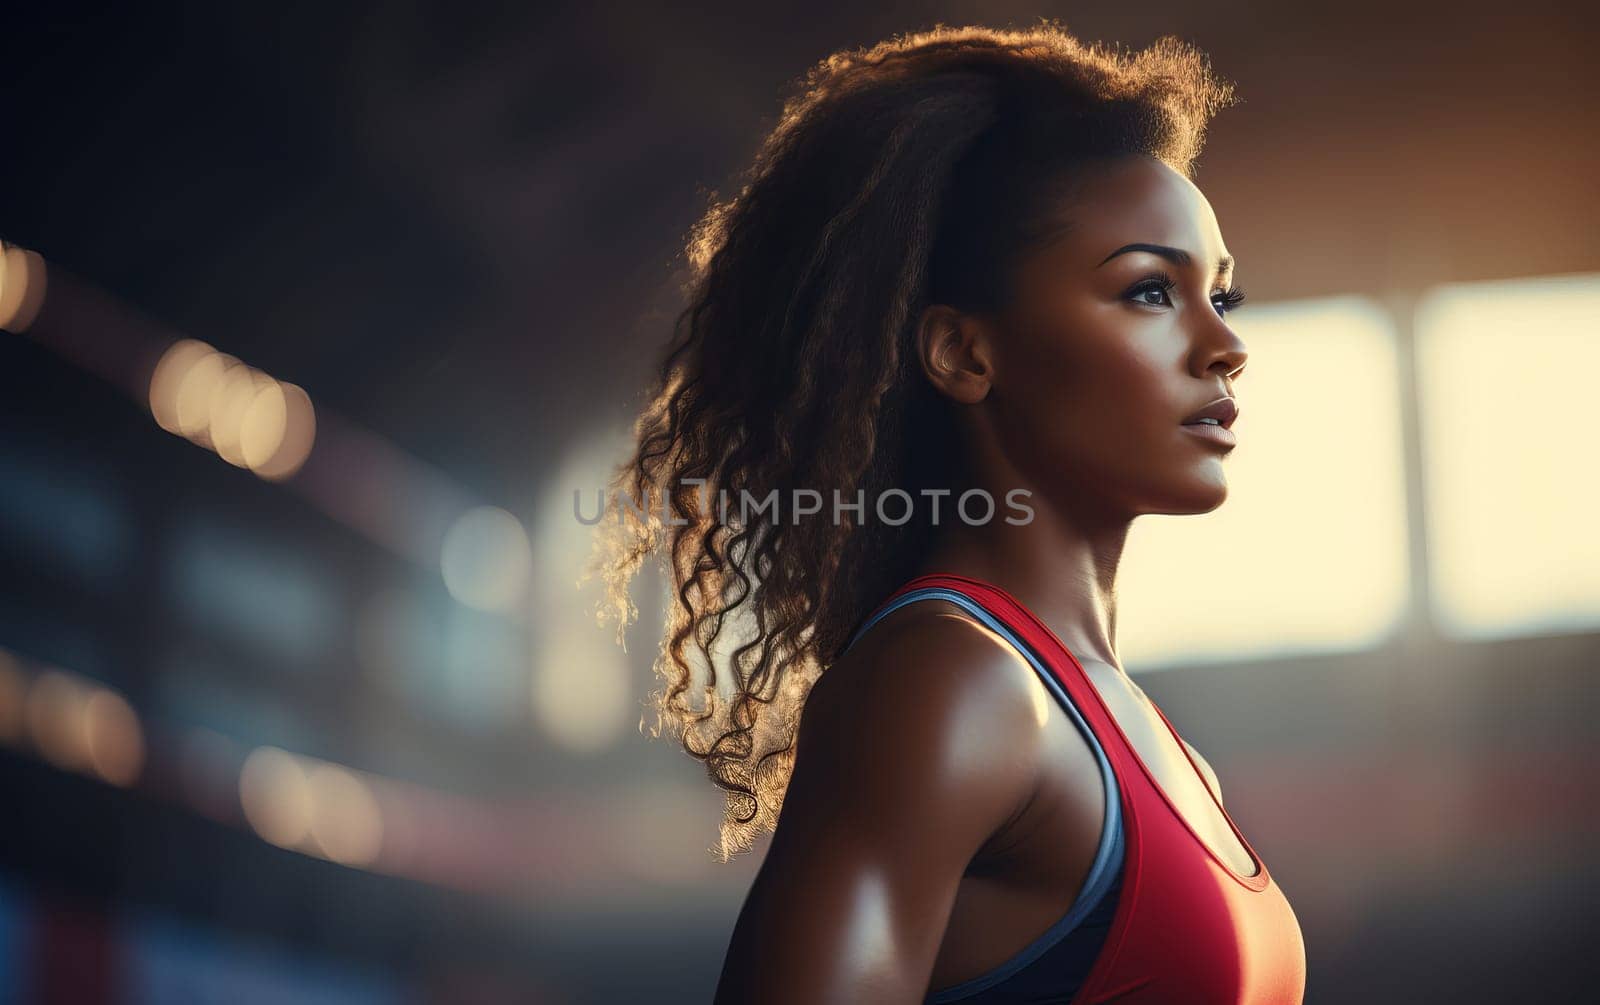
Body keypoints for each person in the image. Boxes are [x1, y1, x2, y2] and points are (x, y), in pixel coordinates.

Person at [587, 22, 1307, 1004]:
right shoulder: (952, 684)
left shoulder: (1167, 754)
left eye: (1220, 294)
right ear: (965, 354)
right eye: (1148, 290)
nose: (1225, 346)